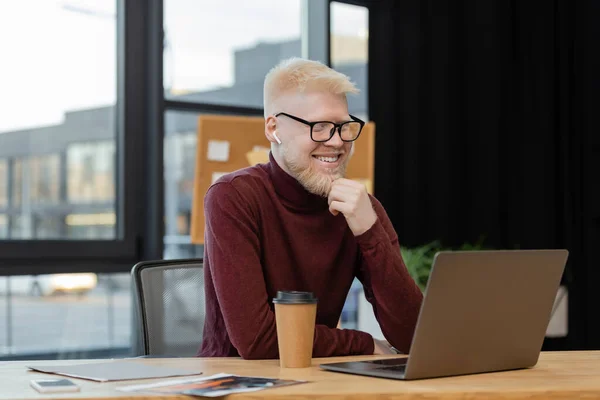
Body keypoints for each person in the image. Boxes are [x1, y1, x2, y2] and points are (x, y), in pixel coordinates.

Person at [198, 58, 423, 359]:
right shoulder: (233, 197)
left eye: (344, 127)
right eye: (320, 127)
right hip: (239, 380)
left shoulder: (359, 208)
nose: (337, 142)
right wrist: (364, 343)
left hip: (318, 378)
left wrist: (370, 233)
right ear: (273, 128)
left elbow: (413, 336)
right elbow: (258, 341)